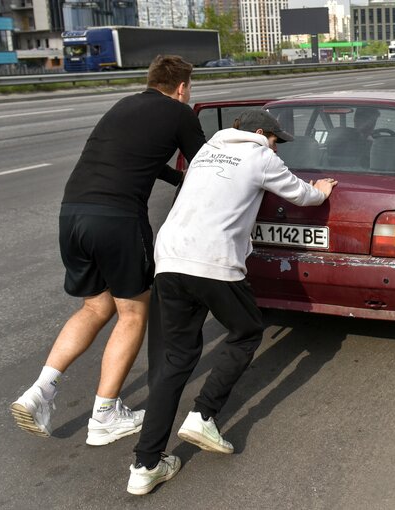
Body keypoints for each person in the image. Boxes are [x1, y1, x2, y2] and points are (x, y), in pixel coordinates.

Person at [126, 109, 337, 495]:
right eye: (276, 139)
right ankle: (203, 414)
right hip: (215, 261)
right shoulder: (260, 156)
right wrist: (321, 190)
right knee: (246, 330)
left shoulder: (206, 150)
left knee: (173, 362)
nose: (278, 148)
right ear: (260, 133)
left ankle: (145, 465)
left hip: (170, 259)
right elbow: (300, 195)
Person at [10, 55, 206, 446]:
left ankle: (40, 391)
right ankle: (104, 415)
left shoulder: (123, 106)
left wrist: (172, 176)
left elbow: (135, 159)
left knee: (95, 307)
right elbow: (207, 165)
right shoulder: (179, 113)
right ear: (182, 87)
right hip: (117, 219)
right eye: (190, 88)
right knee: (133, 312)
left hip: (73, 214)